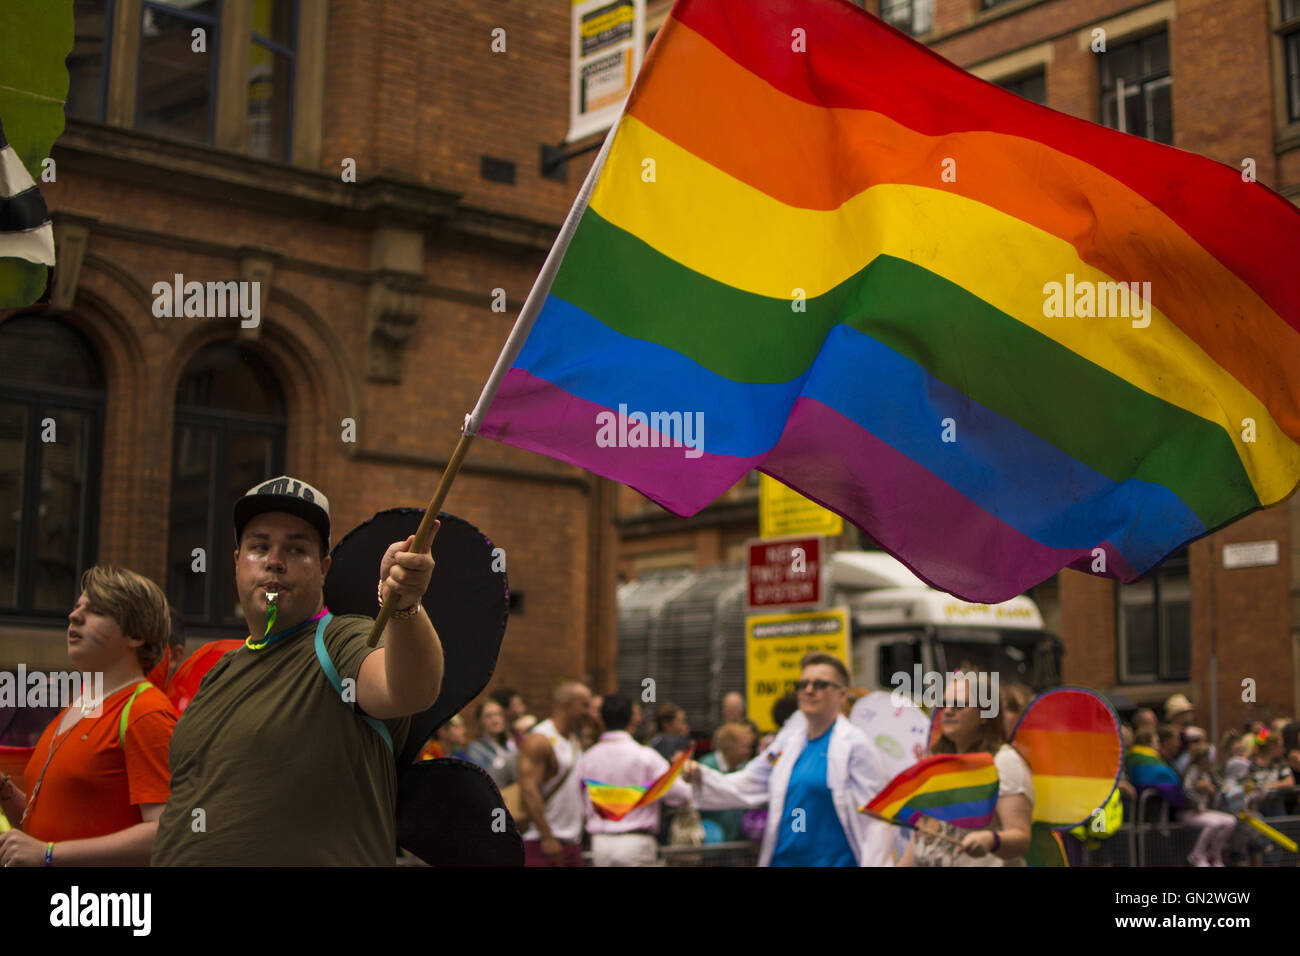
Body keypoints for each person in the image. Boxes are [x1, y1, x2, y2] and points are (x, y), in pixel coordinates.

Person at [152, 475, 443, 865]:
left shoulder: (339, 641)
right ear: (237, 563)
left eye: (296, 549)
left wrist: (406, 605)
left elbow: (408, 690)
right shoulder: (218, 671)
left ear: (323, 569)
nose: (274, 560)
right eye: (259, 547)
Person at [0, 566, 177, 866]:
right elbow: (40, 831)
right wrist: (4, 790)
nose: (74, 615)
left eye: (95, 610)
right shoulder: (75, 710)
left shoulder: (145, 712)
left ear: (136, 635)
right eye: (77, 606)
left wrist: (47, 855)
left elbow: (168, 832)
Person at [683, 653, 894, 866]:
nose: (809, 690)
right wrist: (701, 775)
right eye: (803, 684)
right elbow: (750, 781)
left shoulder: (856, 746)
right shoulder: (787, 741)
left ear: (841, 694)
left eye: (820, 684)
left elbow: (876, 822)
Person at [899, 673, 1034, 867]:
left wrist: (991, 840)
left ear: (985, 714)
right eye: (943, 704)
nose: (947, 711)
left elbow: (1021, 840)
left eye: (959, 705)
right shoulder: (937, 763)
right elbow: (924, 834)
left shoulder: (1004, 762)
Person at [578, 694, 691, 866]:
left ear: (601, 720)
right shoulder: (647, 757)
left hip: (600, 845)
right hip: (637, 843)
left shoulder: (587, 759)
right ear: (633, 719)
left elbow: (577, 801)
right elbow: (680, 794)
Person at [517, 681, 591, 866]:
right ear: (567, 705)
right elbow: (528, 789)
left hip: (571, 842)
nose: (588, 712)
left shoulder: (574, 741)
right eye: (584, 705)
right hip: (542, 844)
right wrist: (547, 837)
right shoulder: (539, 740)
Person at [698, 722, 757, 843]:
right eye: (745, 747)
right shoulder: (706, 767)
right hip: (711, 841)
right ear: (730, 748)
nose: (749, 751)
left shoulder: (745, 768)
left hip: (737, 841)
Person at [1180, 739, 1236, 866]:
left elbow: (1220, 786)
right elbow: (1187, 789)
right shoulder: (1193, 770)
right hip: (1191, 811)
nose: (1211, 761)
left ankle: (1213, 854)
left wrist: (1225, 789)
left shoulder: (1209, 772)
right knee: (1214, 823)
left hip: (1204, 811)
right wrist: (1196, 803)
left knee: (1230, 821)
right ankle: (1197, 854)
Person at [465, 698, 518, 789]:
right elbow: (485, 780)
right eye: (489, 716)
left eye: (498, 715)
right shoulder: (475, 748)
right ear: (480, 721)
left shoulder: (509, 743)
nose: (495, 720)